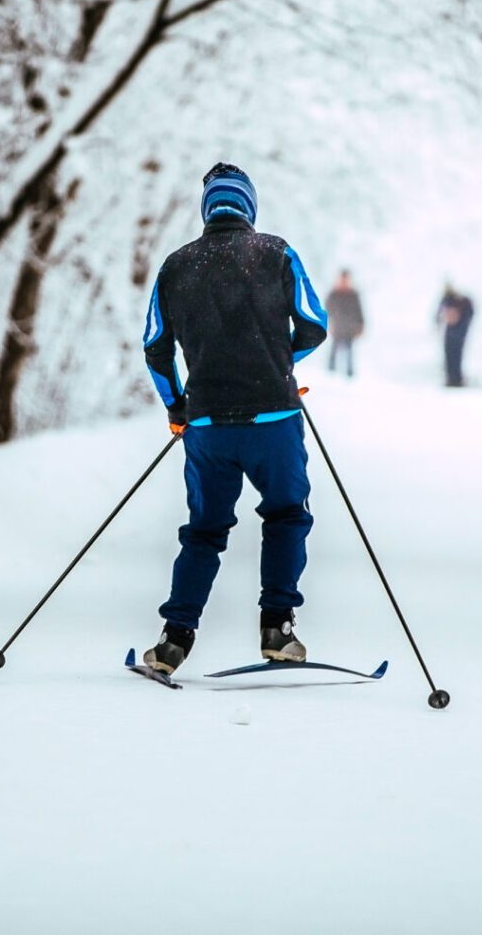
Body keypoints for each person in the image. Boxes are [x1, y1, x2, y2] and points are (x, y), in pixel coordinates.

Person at [140, 163, 329, 675]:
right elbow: (315, 325)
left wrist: (177, 407)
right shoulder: (276, 252)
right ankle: (278, 629)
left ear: (208, 210)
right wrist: (277, 361)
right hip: (275, 417)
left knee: (204, 530)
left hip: (206, 427)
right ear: (249, 207)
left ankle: (174, 639)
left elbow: (154, 348)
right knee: (288, 515)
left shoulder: (175, 266)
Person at [325, 270, 365, 376]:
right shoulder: (333, 293)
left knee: (349, 352)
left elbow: (359, 310)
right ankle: (330, 372)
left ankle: (349, 374)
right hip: (337, 328)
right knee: (333, 351)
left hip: (349, 329)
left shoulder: (353, 294)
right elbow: (326, 309)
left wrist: (361, 325)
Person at [436, 283, 475, 387]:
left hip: (458, 331)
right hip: (452, 331)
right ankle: (451, 378)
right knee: (450, 356)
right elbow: (439, 314)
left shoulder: (460, 301)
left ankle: (456, 378)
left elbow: (469, 313)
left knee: (455, 356)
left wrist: (462, 326)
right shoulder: (448, 300)